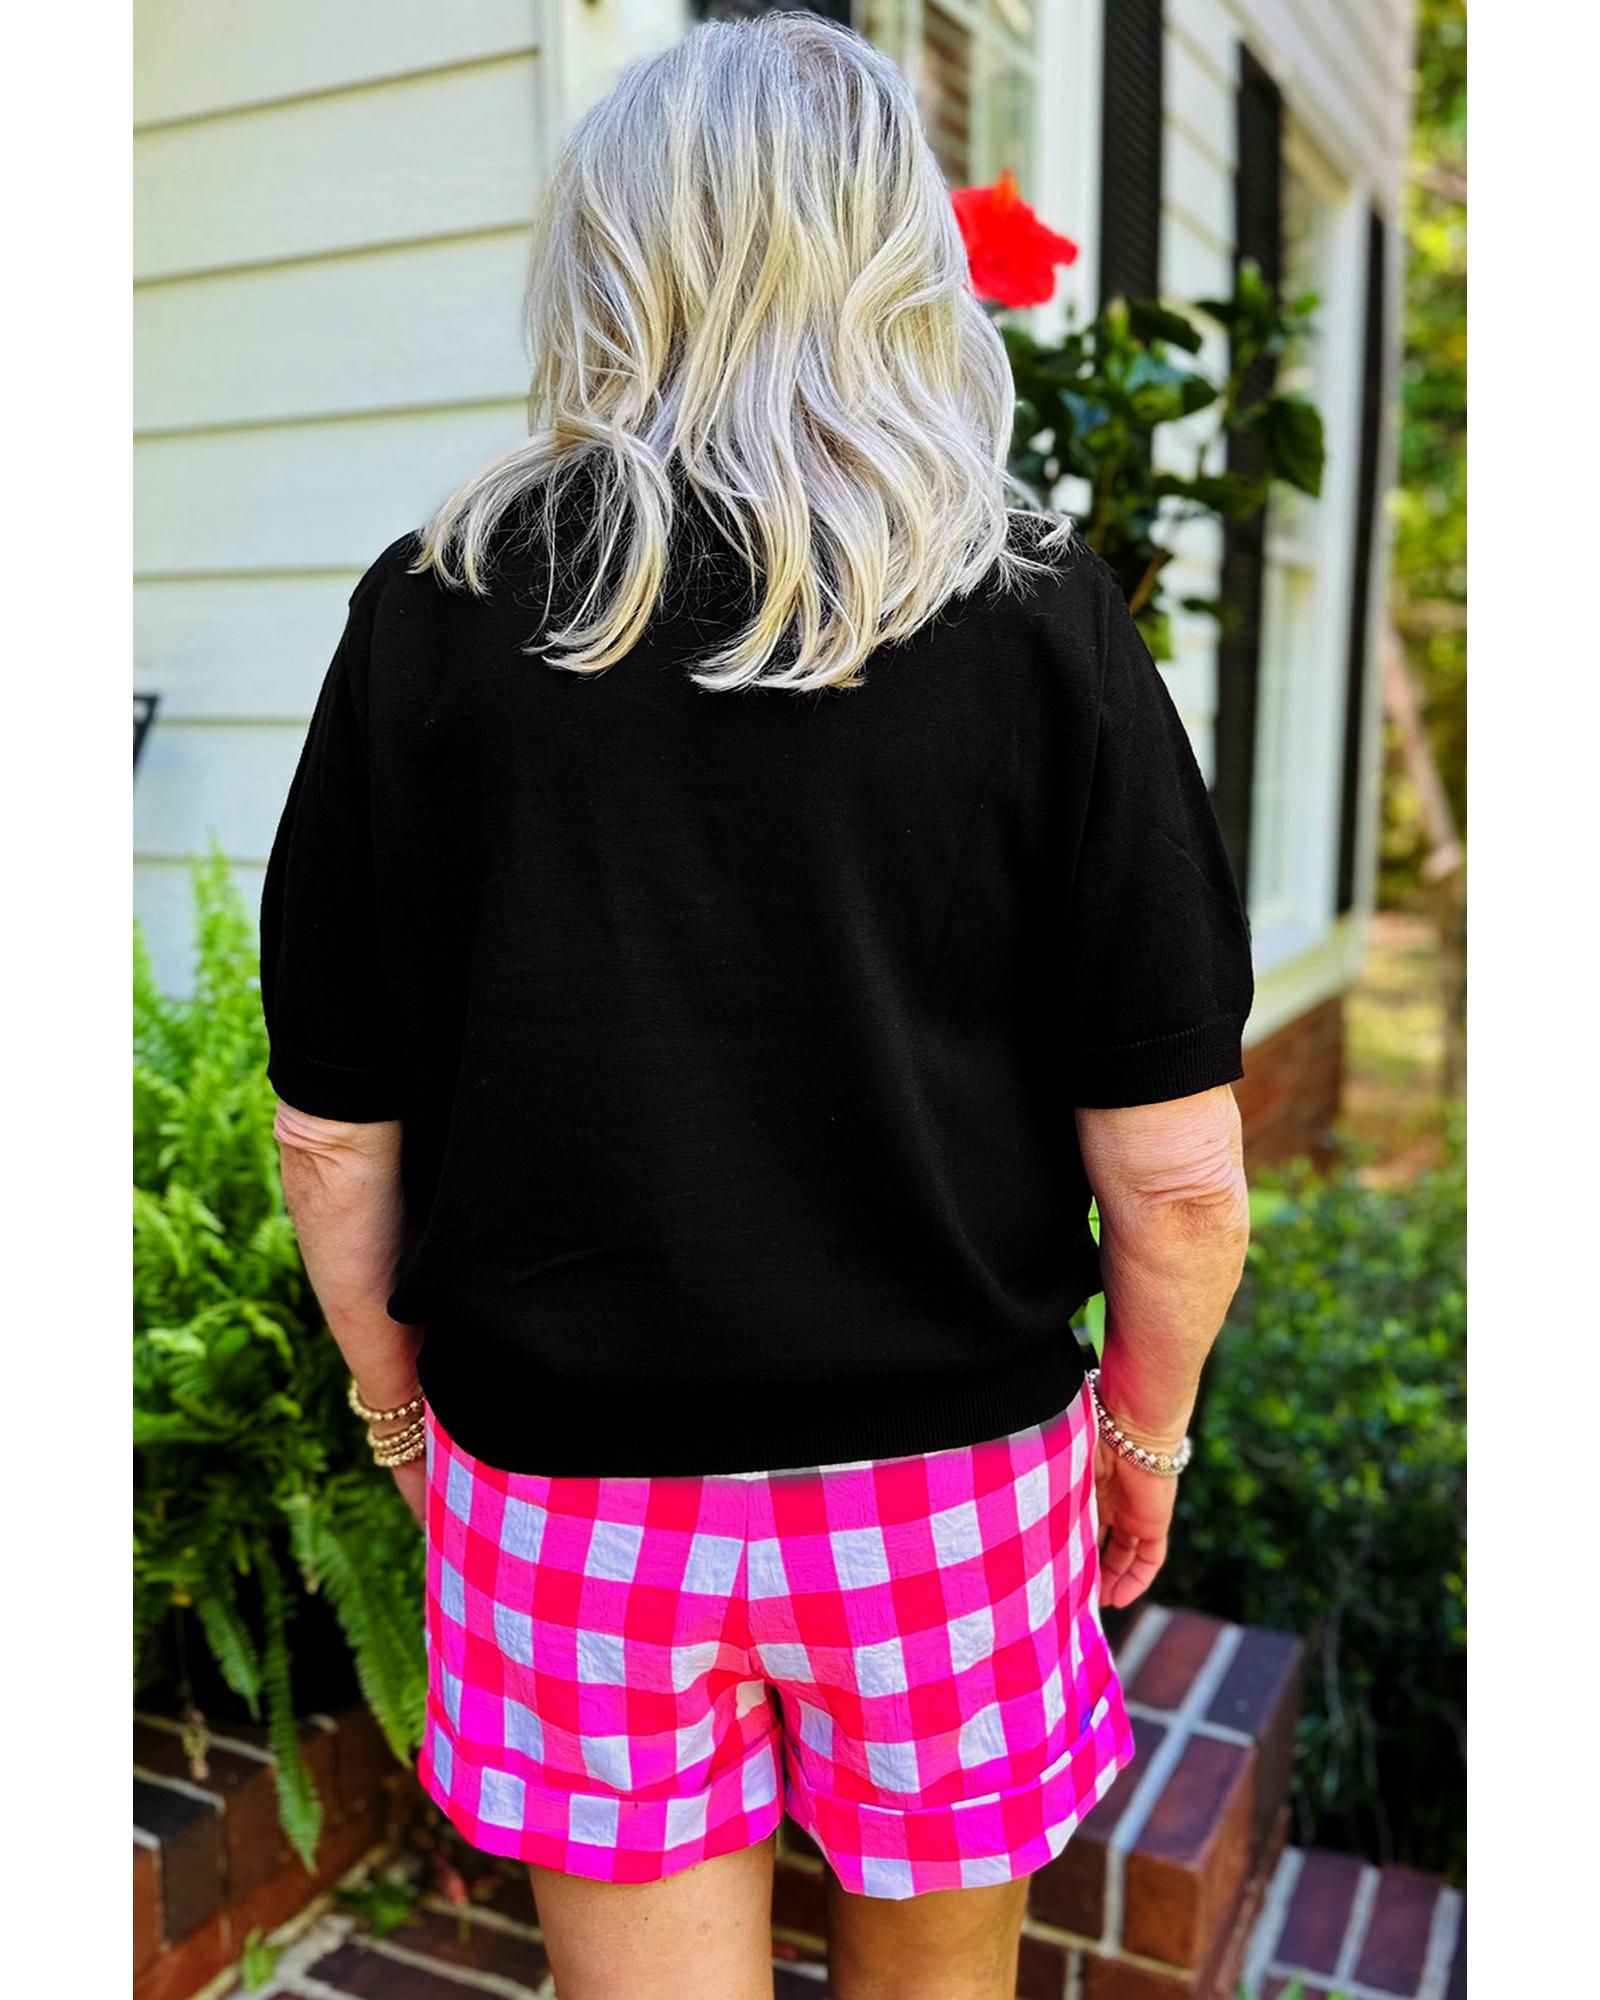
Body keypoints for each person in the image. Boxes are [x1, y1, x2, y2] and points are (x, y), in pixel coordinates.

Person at [260, 16, 1253, 2000]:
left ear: (606, 255)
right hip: (947, 1480)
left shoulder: (431, 614)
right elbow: (1171, 1174)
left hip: (569, 1484)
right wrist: (1141, 1436)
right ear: (897, 256)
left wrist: (394, 1414)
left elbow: (330, 1133)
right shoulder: (1032, 615)